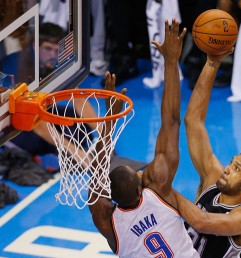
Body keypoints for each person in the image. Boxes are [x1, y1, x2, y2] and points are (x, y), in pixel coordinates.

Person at [88, 19, 199, 257]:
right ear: (141, 187)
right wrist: (170, 62)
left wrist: (108, 123)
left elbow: (95, 178)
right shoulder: (157, 189)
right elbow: (171, 122)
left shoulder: (107, 222)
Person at [172, 49, 241, 257]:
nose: (227, 168)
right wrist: (212, 63)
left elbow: (202, 222)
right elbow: (193, 121)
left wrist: (163, 189)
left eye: (236, 168)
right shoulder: (212, 185)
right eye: (231, 163)